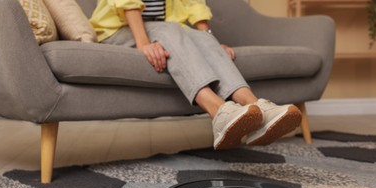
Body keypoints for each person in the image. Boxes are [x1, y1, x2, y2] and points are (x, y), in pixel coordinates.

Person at [90, 0, 302, 150]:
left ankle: (257, 108)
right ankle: (218, 112)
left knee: (202, 38)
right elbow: (127, 2)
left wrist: (210, 42)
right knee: (169, 30)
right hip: (118, 29)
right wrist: (143, 43)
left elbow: (194, 4)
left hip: (167, 29)